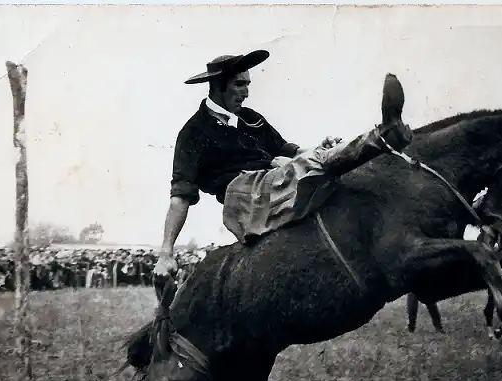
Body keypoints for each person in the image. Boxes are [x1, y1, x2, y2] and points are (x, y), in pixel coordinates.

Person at [154, 50, 413, 278]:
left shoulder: (251, 118)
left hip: (273, 182)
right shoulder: (194, 132)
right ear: (219, 86)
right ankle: (383, 136)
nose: (246, 92)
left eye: (248, 84)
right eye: (239, 85)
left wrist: (323, 149)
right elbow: (180, 196)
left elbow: (288, 149)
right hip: (243, 198)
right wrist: (166, 252)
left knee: (329, 171)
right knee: (309, 164)